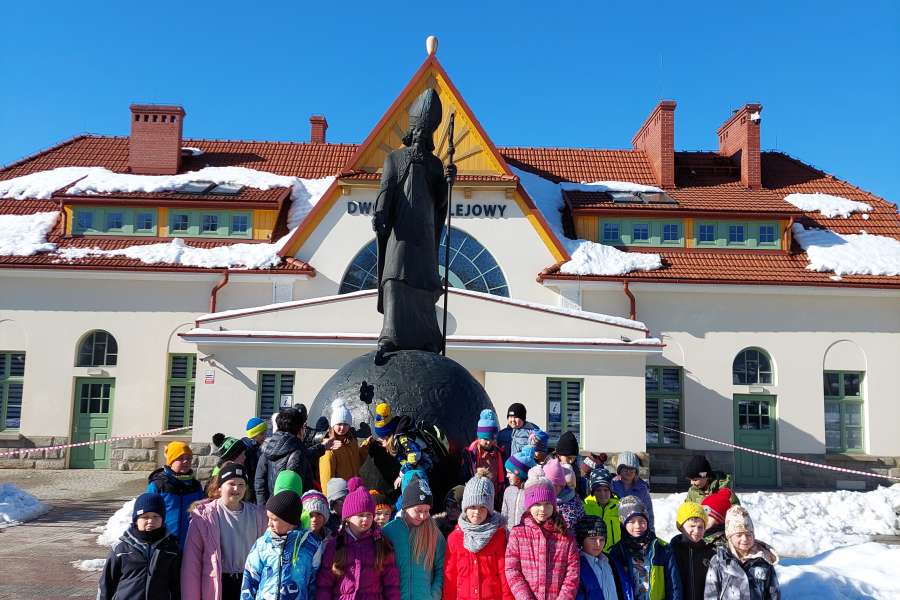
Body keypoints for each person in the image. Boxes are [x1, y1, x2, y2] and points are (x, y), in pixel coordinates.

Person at [371, 87, 450, 359]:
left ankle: (428, 338)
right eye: (418, 132)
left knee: (425, 283)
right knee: (394, 278)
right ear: (411, 132)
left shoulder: (435, 164)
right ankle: (391, 335)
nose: (421, 137)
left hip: (425, 231)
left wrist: (448, 182)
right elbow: (386, 189)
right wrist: (381, 213)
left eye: (426, 133)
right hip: (401, 230)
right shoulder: (394, 158)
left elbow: (440, 202)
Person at [182, 463, 267, 600]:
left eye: (241, 484)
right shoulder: (204, 517)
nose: (236, 488)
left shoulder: (258, 515)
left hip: (249, 582)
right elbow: (192, 563)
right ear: (220, 487)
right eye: (231, 483)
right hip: (218, 584)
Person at [315, 479, 400, 600]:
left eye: (369, 515)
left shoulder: (381, 543)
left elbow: (391, 584)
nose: (365, 519)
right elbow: (324, 585)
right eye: (360, 515)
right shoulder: (335, 545)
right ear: (348, 518)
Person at [505, 477, 580, 600]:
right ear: (529, 506)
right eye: (537, 504)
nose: (543, 510)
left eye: (547, 504)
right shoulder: (518, 533)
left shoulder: (565, 535)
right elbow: (512, 569)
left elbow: (573, 572)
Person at [98, 492, 181, 600]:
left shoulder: (172, 548)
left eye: (156, 516)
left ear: (163, 519)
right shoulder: (121, 548)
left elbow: (177, 585)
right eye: (145, 517)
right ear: (136, 520)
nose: (151, 521)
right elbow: (106, 583)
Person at [241, 490, 322, 600]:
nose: (269, 523)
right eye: (268, 518)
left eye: (274, 519)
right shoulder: (262, 544)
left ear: (290, 521)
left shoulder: (311, 545)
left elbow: (314, 581)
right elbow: (250, 579)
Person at [443, 474, 512, 600]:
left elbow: (504, 574)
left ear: (489, 509)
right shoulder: (454, 538)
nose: (477, 512)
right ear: (465, 507)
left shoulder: (498, 536)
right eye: (473, 507)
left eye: (482, 508)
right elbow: (450, 575)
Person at [255, 407, 338, 505]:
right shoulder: (298, 453)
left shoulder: (268, 448)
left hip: (271, 510)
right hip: (291, 511)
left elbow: (259, 483)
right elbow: (303, 486)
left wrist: (263, 508)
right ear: (300, 429)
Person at [382, 475, 446, 600]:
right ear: (406, 507)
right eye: (418, 510)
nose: (423, 516)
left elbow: (442, 567)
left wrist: (434, 594)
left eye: (427, 511)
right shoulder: (390, 531)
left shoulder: (434, 533)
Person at [607, 495, 681, 600]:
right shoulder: (617, 552)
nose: (638, 526)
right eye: (631, 522)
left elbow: (674, 586)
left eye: (642, 521)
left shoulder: (662, 548)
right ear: (623, 524)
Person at [704, 506, 780, 600]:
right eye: (739, 535)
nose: (744, 539)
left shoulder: (764, 560)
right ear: (729, 537)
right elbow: (711, 594)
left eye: (748, 534)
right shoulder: (719, 561)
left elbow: (773, 594)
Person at [147, 441, 205, 549]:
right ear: (171, 461)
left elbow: (202, 512)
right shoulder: (159, 485)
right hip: (164, 543)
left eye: (189, 458)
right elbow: (148, 513)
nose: (186, 461)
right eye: (180, 458)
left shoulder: (195, 486)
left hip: (190, 543)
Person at [319, 399, 371, 484]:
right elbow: (326, 480)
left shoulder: (352, 442)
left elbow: (356, 464)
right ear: (333, 425)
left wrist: (366, 446)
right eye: (339, 424)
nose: (342, 428)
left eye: (346, 424)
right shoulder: (329, 448)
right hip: (340, 494)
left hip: (354, 490)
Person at [669, 502, 714, 600]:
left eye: (700, 527)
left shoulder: (710, 552)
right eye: (692, 526)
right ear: (681, 527)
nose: (697, 531)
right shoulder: (672, 551)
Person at [462, 409, 505, 508]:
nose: (489, 442)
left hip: (493, 495)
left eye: (491, 439)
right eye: (485, 439)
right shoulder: (471, 454)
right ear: (479, 437)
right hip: (476, 495)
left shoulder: (498, 453)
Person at [574, 515, 617, 600]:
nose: (598, 544)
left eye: (602, 540)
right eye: (593, 539)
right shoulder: (576, 566)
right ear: (581, 540)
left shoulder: (610, 562)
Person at [610, 452, 654, 529]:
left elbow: (648, 512)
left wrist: (650, 531)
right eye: (625, 468)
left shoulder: (642, 489)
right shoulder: (612, 485)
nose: (628, 471)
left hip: (635, 528)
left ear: (636, 471)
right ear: (619, 470)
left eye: (631, 468)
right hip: (615, 528)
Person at [582, 469, 621, 551]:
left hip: (615, 553)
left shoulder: (619, 506)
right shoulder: (585, 507)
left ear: (611, 491)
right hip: (593, 552)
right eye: (598, 490)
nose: (602, 494)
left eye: (606, 490)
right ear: (592, 491)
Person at [501, 446, 536, 530]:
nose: (507, 476)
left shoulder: (532, 492)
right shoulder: (508, 491)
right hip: (509, 534)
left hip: (526, 536)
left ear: (520, 474)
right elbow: (504, 513)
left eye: (509, 472)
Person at [544, 458, 584, 530]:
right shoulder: (543, 500)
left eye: (554, 485)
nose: (550, 488)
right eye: (547, 485)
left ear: (562, 485)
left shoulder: (573, 503)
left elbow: (571, 528)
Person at [242, 417, 268, 503]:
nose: (264, 437)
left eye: (265, 433)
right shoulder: (249, 449)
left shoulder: (257, 447)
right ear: (253, 435)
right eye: (262, 434)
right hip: (249, 486)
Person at [555, 431, 588, 499]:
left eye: (574, 458)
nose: (571, 461)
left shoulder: (575, 469)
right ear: (559, 455)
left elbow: (577, 490)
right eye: (568, 457)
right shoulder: (550, 467)